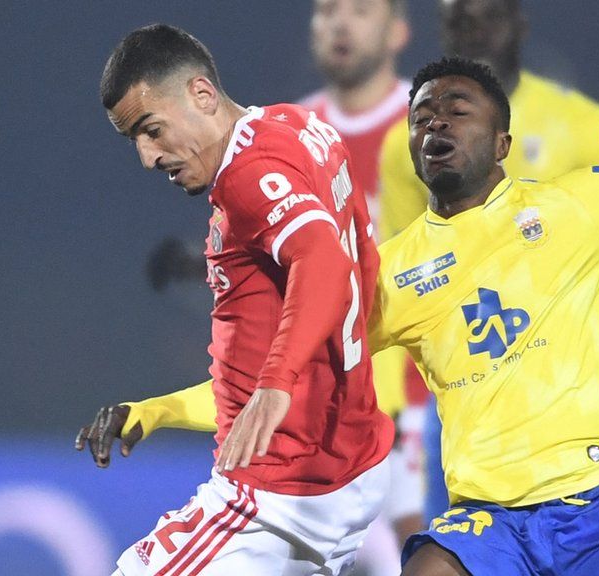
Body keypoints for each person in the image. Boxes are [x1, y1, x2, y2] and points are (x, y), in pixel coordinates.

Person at [83, 12, 599, 575]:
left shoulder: (576, 205)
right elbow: (296, 384)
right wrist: (158, 410)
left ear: (504, 141)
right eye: (420, 114)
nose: (434, 121)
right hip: (493, 526)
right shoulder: (395, 274)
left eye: (458, 108)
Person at [76, 24, 394, 575]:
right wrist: (159, 411)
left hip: (277, 492)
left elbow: (321, 258)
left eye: (152, 130)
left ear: (201, 95)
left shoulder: (250, 177)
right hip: (345, 463)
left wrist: (275, 385)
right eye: (135, 140)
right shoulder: (300, 127)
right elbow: (340, 270)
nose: (148, 158)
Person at [137, 0, 427, 549]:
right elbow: (294, 249)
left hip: (415, 394)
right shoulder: (301, 121)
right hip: (341, 406)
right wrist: (209, 263)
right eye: (327, 11)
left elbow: (334, 254)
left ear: (398, 31)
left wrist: (274, 383)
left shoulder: (432, 122)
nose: (340, 23)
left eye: (360, 10)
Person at [376, 0, 599, 523]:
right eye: (457, 19)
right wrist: (386, 398)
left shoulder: (583, 124)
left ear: (519, 26)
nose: (472, 30)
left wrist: (598, 354)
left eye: (488, 15)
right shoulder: (408, 143)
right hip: (466, 401)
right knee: (460, 544)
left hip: (574, 399)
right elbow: (389, 276)